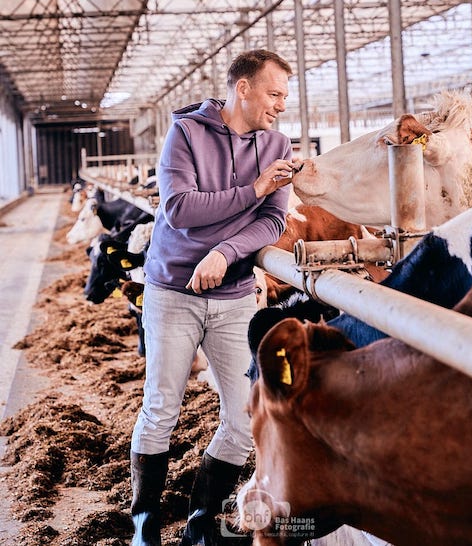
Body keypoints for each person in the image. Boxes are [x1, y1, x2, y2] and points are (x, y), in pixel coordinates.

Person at [129, 49, 300, 546]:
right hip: (172, 290)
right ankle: (144, 528)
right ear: (241, 88)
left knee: (243, 417)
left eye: (285, 97)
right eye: (274, 94)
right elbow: (180, 209)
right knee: (161, 407)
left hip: (235, 296)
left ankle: (201, 528)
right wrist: (254, 189)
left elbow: (274, 221)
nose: (280, 106)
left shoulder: (278, 143)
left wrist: (225, 252)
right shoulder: (185, 131)